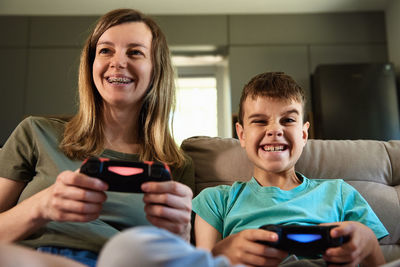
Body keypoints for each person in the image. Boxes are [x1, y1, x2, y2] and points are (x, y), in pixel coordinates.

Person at [0, 8, 194, 267]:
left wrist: (180, 234)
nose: (118, 62)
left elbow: (179, 256)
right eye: (105, 50)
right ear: (91, 64)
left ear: (156, 70)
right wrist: (42, 205)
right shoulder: (35, 132)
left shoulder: (177, 165)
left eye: (135, 52)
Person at [192, 71, 388, 266]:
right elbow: (202, 262)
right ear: (242, 135)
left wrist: (369, 243)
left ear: (304, 135)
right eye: (260, 121)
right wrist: (222, 252)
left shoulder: (340, 193)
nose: (275, 130)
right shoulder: (216, 201)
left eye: (288, 120)